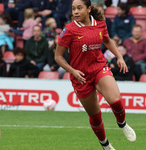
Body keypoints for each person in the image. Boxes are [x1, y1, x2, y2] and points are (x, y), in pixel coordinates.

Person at [55, 0, 136, 149]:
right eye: (73, 9)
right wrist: (72, 70)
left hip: (99, 67)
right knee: (95, 115)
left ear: (89, 8)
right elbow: (58, 57)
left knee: (116, 101)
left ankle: (122, 124)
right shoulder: (69, 29)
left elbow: (107, 40)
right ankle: (105, 144)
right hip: (80, 76)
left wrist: (119, 56)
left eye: (79, 8)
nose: (76, 12)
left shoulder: (99, 23)